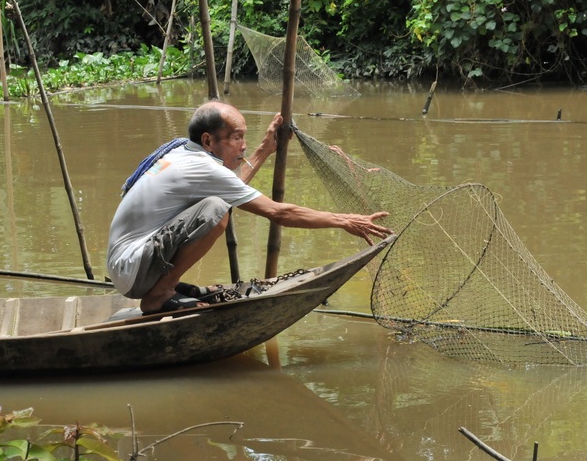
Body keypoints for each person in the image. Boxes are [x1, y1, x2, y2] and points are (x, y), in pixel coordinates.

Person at [107, 101, 391, 315]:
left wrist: (265, 150)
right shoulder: (203, 167)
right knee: (217, 210)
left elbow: (230, 185)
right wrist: (345, 220)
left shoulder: (183, 152)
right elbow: (278, 213)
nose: (243, 145)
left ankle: (168, 285)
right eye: (236, 137)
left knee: (218, 203)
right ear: (208, 140)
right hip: (135, 270)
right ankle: (161, 294)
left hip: (129, 267)